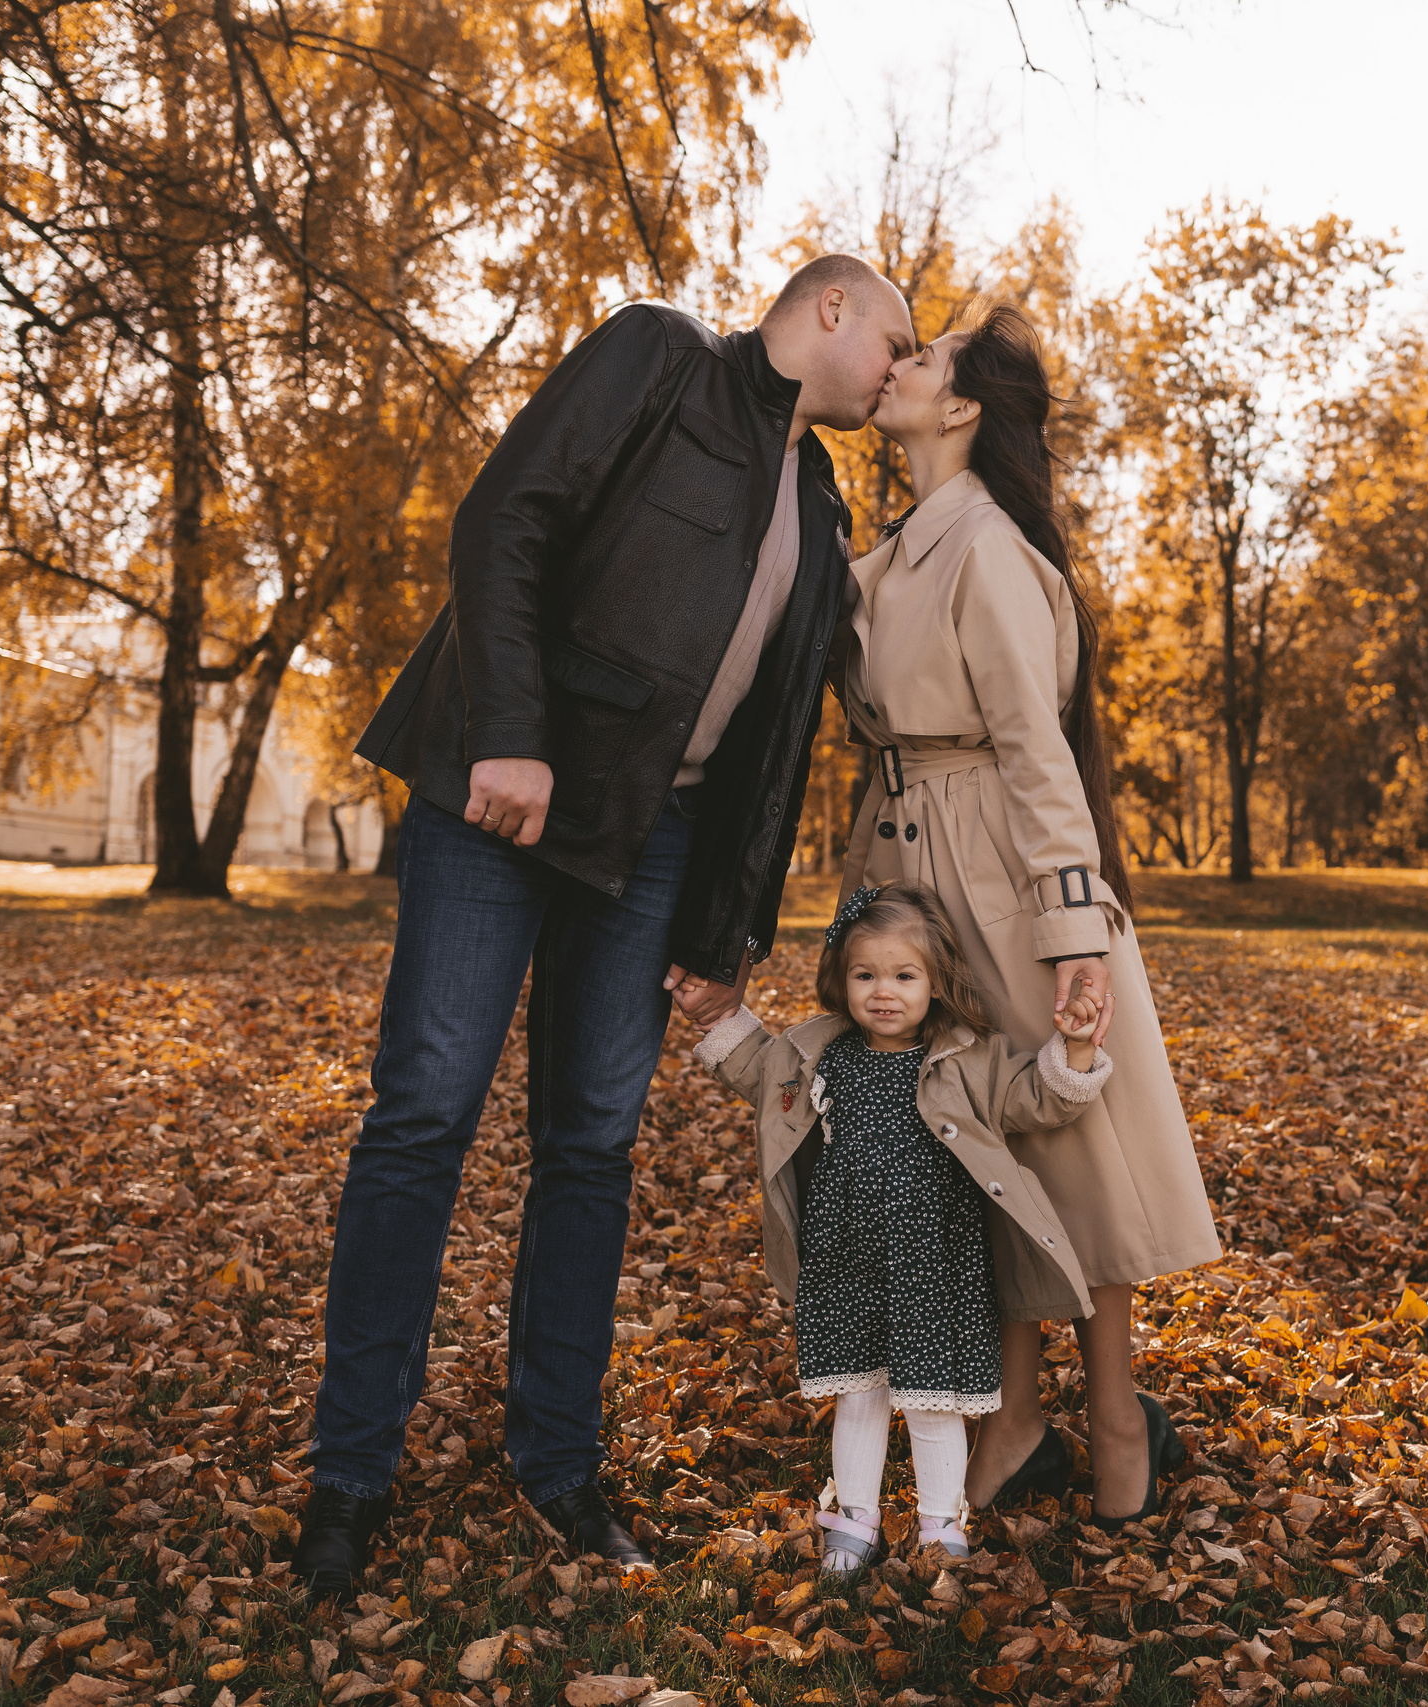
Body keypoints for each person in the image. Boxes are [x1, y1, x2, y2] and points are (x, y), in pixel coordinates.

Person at [289, 256, 918, 1600]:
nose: (897, 368)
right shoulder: (658, 356)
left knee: (591, 1143)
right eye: (893, 339)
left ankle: (557, 1457)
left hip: (655, 842)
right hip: (502, 802)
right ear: (828, 312)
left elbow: (771, 738)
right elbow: (506, 519)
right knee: (423, 1114)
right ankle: (351, 1476)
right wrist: (507, 736)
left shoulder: (817, 492)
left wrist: (727, 918)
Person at [835, 302, 1224, 1529]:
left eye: (925, 357)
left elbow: (1034, 748)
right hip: (912, 866)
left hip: (998, 871)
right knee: (970, 1147)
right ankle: (1015, 1418)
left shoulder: (987, 548)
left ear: (961, 408)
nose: (896, 366)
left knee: (1073, 1158)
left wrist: (1070, 932)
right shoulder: (906, 546)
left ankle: (1115, 1424)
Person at [689, 885, 1110, 1568]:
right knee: (858, 1395)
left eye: (904, 975)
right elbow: (759, 1072)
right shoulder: (819, 1053)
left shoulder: (967, 1058)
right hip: (846, 1259)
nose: (883, 992)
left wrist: (1078, 1047)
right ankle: (854, 1522)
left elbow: (1038, 1099)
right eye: (866, 974)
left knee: (931, 1401)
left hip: (933, 1265)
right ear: (842, 977)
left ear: (937, 980)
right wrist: (718, 1013)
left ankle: (941, 1524)